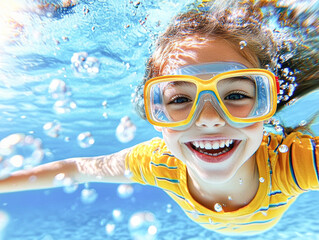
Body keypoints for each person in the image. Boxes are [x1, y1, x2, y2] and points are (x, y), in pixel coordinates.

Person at [0, 0, 318, 236]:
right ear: (156, 113)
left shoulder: (291, 162)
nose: (209, 119)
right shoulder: (159, 162)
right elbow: (78, 169)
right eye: (180, 99)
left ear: (268, 100)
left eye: (235, 95)